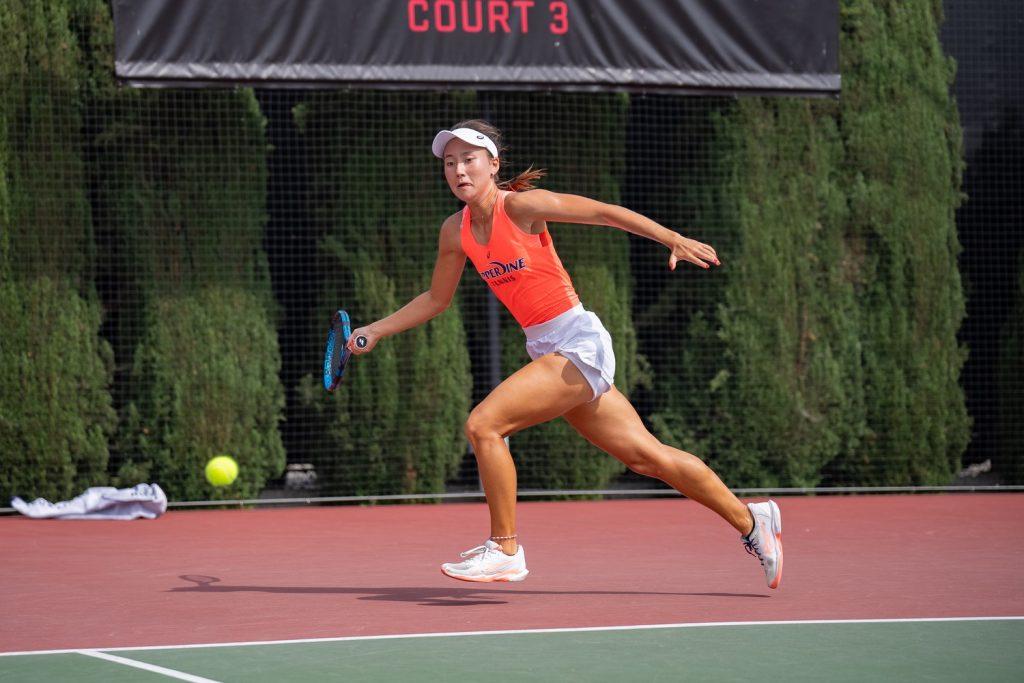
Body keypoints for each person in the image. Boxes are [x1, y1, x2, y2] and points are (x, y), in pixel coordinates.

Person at [347, 120, 783, 589]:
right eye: (449, 163)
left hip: (578, 342)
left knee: (484, 424)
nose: (458, 170)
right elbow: (436, 298)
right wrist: (376, 329)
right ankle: (751, 520)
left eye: (469, 159)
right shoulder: (455, 231)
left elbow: (604, 213)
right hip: (546, 348)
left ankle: (505, 549)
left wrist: (671, 237)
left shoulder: (523, 206)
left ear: (493, 165)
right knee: (647, 457)